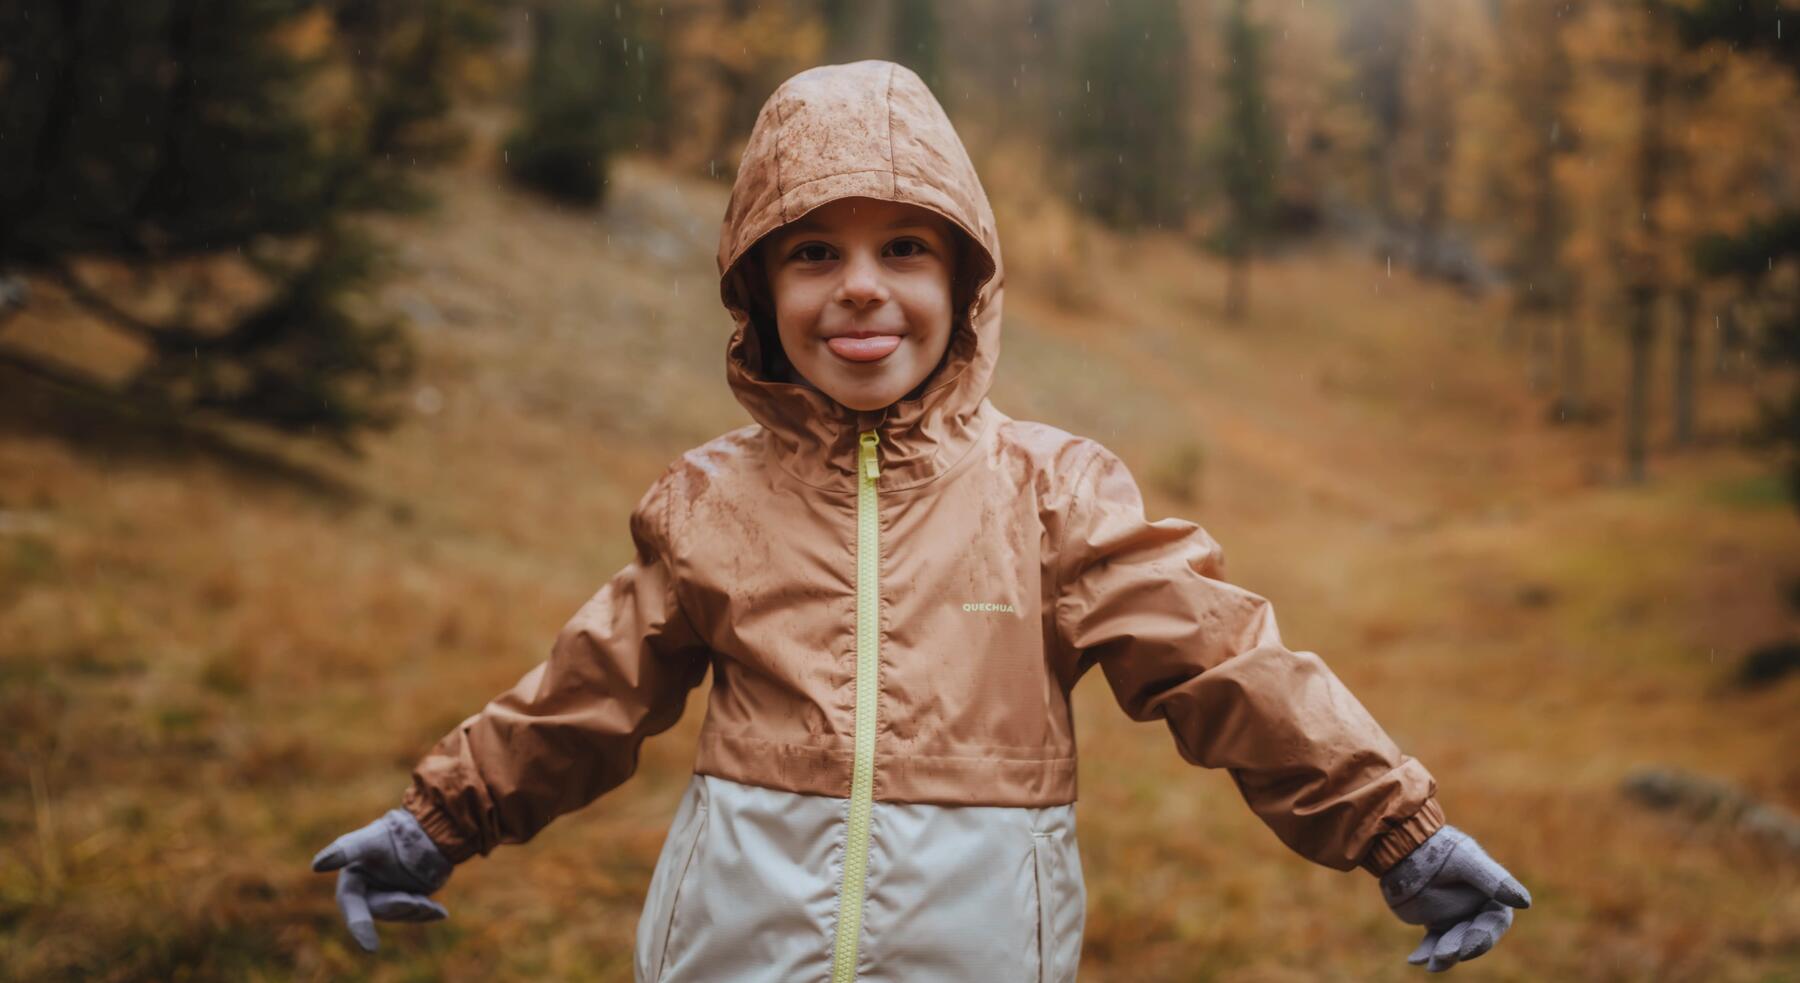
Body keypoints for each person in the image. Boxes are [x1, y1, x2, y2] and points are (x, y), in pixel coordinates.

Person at [311, 60, 1532, 980]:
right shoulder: (710, 504)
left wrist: (1400, 831)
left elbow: (1229, 664)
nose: (860, 286)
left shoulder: (1053, 495)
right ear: (758, 292)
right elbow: (585, 691)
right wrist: (434, 823)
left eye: (903, 247)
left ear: (962, 285)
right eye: (812, 252)